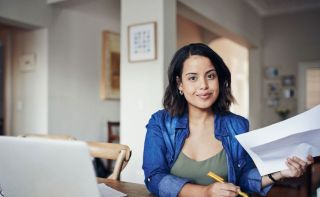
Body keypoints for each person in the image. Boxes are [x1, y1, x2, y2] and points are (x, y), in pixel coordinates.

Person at [142, 43, 314, 197]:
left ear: (220, 79)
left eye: (210, 76)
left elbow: (243, 181)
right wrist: (204, 192)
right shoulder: (160, 123)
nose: (204, 85)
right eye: (193, 78)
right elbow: (154, 177)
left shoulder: (237, 125)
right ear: (180, 84)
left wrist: (279, 173)